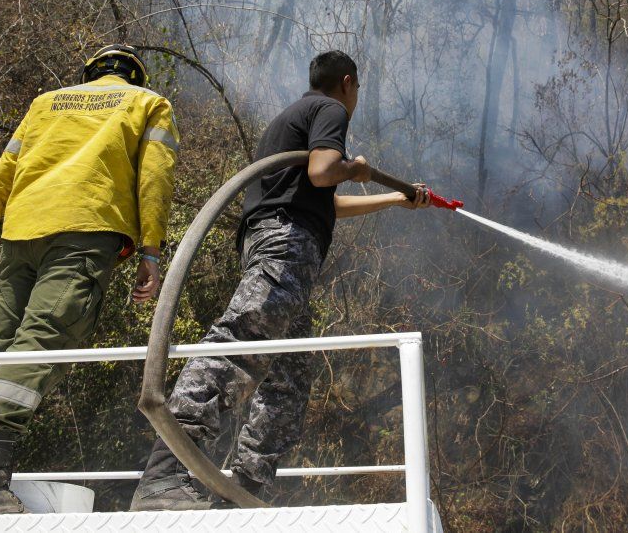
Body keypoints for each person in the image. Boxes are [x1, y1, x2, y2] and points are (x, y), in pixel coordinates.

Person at [130, 50, 430, 511]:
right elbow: (324, 172)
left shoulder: (290, 119)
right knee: (242, 338)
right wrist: (356, 170)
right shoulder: (328, 109)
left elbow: (324, 200)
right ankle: (165, 473)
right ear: (347, 82)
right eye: (356, 89)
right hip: (286, 243)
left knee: (288, 379)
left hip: (284, 244)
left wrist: (392, 199)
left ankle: (243, 491)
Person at [0, 45, 179, 516]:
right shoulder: (148, 103)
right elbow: (155, 178)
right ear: (135, 75)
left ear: (89, 73)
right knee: (41, 341)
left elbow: (0, 175)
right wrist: (151, 250)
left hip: (21, 233)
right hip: (85, 231)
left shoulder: (45, 103)